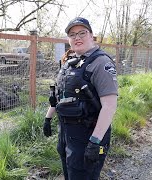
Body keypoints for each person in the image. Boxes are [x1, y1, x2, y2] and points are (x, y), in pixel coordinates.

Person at [43, 17, 118, 180]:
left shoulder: (101, 63)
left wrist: (95, 141)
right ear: (68, 39)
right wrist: (48, 118)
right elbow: (58, 96)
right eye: (72, 34)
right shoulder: (69, 63)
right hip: (66, 135)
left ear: (91, 35)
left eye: (82, 33)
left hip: (89, 137)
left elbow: (110, 106)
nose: (77, 37)